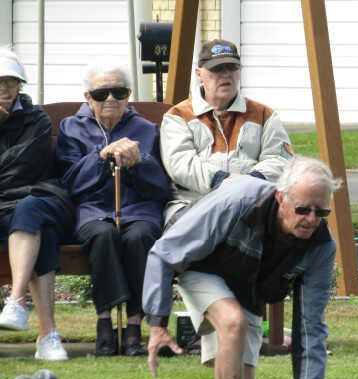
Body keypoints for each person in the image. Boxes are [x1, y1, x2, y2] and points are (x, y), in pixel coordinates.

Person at [142, 158, 341, 379]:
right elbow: (165, 252)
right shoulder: (239, 199)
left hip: (245, 285)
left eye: (321, 213)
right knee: (233, 322)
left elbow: (311, 327)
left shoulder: (320, 247)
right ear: (281, 198)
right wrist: (157, 323)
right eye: (303, 209)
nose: (311, 219)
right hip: (199, 262)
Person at [55, 62, 171, 357]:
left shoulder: (147, 129)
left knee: (140, 237)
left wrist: (138, 163)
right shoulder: (71, 128)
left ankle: (133, 327)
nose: (111, 99)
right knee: (103, 236)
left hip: (139, 209)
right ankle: (104, 323)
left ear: (128, 95)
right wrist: (101, 156)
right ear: (88, 97)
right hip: (93, 210)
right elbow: (70, 182)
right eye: (102, 92)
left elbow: (161, 185)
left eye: (119, 92)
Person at [159, 38, 293, 225]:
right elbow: (181, 165)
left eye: (232, 68)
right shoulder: (178, 116)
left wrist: (250, 183)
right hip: (193, 203)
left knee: (305, 223)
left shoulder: (264, 114)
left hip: (254, 201)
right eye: (217, 69)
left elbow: (281, 161)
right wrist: (224, 180)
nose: (226, 75)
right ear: (199, 74)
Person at [0, 48, 73, 360]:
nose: (4, 88)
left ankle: (16, 301)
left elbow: (24, 170)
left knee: (32, 212)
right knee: (42, 234)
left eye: (10, 81)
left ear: (20, 85)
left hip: (35, 197)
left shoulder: (37, 118)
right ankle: (48, 336)